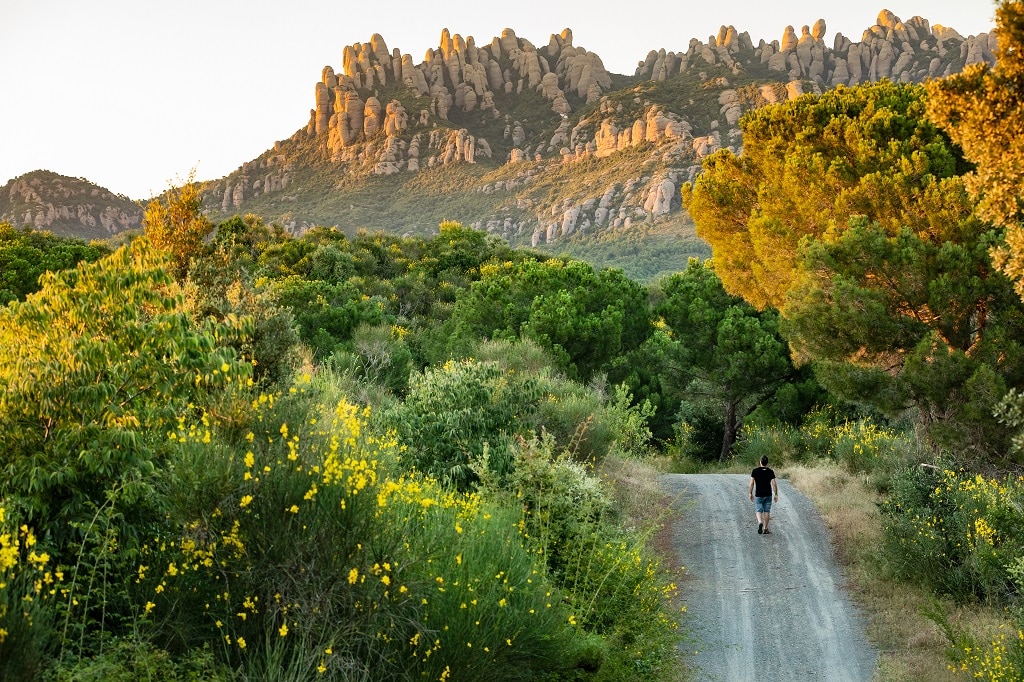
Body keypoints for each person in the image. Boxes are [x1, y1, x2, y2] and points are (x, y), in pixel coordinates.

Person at [749, 455, 778, 534]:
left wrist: (750, 493)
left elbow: (751, 483)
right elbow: (774, 483)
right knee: (767, 511)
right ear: (767, 463)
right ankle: (765, 528)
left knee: (758, 510)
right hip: (768, 494)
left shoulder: (755, 471)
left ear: (760, 462)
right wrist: (776, 494)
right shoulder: (770, 471)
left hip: (759, 494)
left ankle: (760, 522)